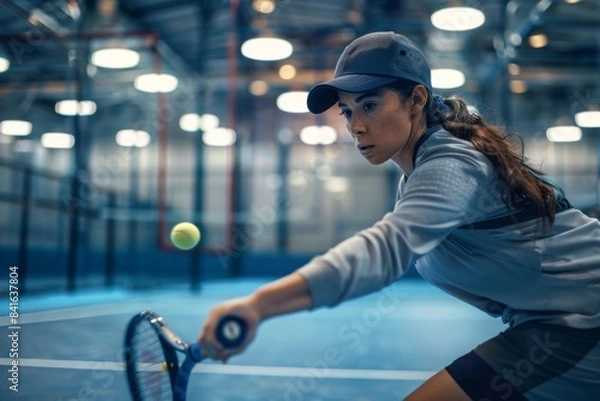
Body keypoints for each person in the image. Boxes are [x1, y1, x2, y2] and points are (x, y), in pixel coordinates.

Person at [198, 31, 600, 400]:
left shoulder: (452, 163)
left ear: (417, 99)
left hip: (582, 320)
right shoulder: (415, 173)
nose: (356, 126)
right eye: (347, 112)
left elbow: (386, 249)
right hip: (548, 323)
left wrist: (260, 304)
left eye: (369, 105)